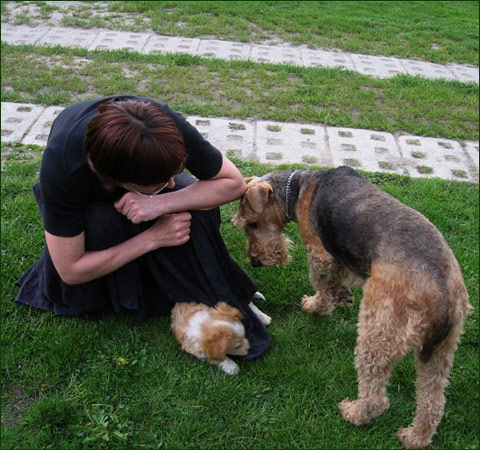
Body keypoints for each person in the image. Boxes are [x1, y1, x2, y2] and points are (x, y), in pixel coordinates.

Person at [15, 95, 270, 359]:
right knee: (102, 222)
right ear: (120, 181)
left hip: (132, 170)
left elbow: (233, 183)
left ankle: (215, 287)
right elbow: (71, 270)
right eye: (160, 183)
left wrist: (159, 203)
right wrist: (153, 238)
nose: (171, 183)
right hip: (89, 203)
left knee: (194, 207)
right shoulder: (63, 168)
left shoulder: (160, 126)